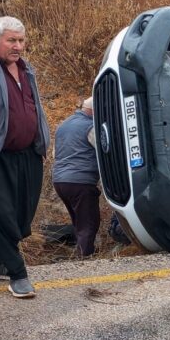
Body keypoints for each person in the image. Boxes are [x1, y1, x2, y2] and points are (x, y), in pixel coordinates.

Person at [0, 17, 49, 299]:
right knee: (1, 216)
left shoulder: (26, 68)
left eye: (21, 40)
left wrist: (42, 140)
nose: (18, 46)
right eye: (11, 40)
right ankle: (18, 274)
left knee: (21, 217)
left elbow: (34, 106)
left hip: (29, 154)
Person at [53, 97, 101, 257]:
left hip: (60, 181)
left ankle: (81, 251)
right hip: (80, 181)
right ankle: (85, 256)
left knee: (79, 220)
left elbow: (55, 153)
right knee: (89, 221)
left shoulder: (63, 125)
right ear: (94, 110)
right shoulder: (91, 127)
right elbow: (104, 151)